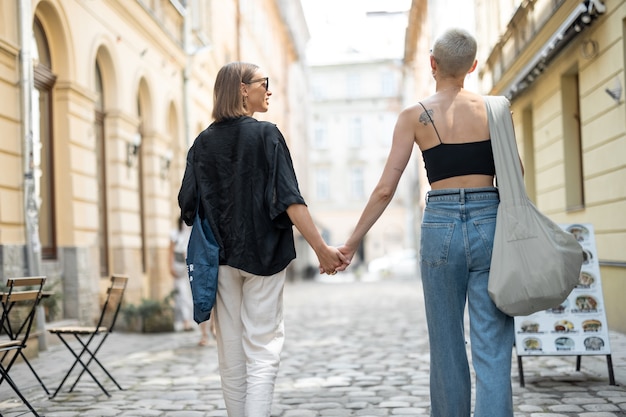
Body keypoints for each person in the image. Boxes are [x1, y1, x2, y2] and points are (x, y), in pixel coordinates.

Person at [338, 28, 515, 417]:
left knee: (446, 344)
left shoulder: (414, 116)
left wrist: (350, 243)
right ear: (473, 66)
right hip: (491, 220)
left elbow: (386, 188)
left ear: (432, 64)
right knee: (494, 344)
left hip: (440, 227)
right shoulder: (497, 109)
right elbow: (514, 173)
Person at [178, 61, 348, 417]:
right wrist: (322, 250)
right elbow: (289, 199)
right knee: (264, 348)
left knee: (231, 354)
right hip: (264, 255)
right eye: (263, 83)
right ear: (242, 89)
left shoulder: (201, 143)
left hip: (220, 259)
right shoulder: (267, 135)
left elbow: (187, 205)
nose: (268, 90)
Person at [169, 216, 212, 346]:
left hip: (197, 267)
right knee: (183, 295)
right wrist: (170, 266)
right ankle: (187, 321)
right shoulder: (176, 233)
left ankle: (206, 331)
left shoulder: (198, 227)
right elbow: (170, 251)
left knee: (197, 297)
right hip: (181, 266)